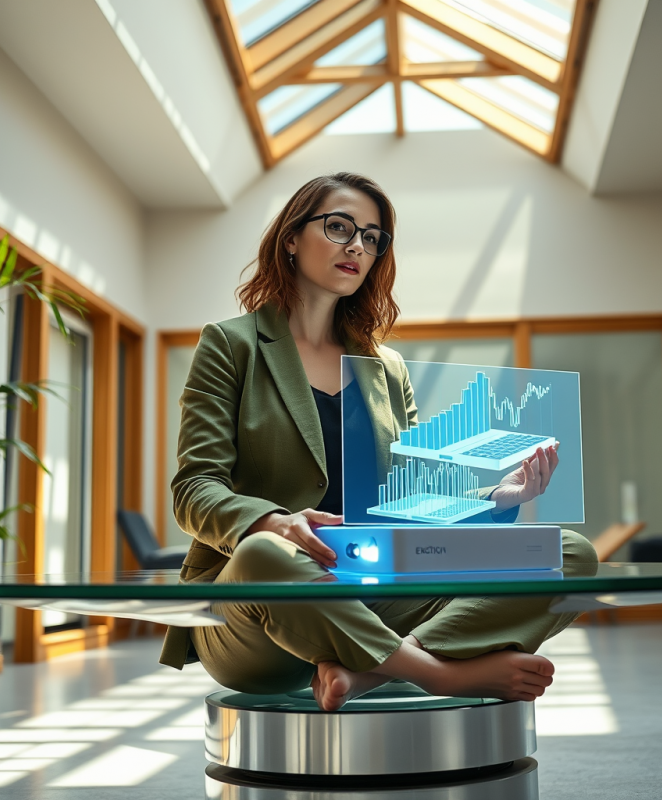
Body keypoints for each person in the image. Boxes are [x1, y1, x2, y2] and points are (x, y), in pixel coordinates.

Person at [159, 172, 598, 711]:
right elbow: (194, 488)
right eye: (340, 227)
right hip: (265, 611)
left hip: (371, 590)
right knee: (263, 554)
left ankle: (368, 670)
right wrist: (275, 522)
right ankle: (435, 674)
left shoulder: (385, 368)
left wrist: (494, 499)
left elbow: (408, 502)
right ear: (291, 238)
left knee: (566, 553)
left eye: (372, 237)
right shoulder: (231, 344)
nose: (357, 247)